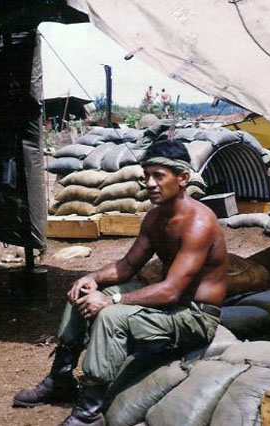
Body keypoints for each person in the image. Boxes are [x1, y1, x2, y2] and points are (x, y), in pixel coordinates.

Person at [13, 139, 228, 426]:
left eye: (159, 176)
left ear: (183, 179)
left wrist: (113, 300)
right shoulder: (154, 218)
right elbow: (127, 266)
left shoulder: (199, 222)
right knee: (85, 292)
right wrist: (90, 278)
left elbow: (172, 289)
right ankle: (60, 378)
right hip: (172, 305)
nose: (150, 183)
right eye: (146, 175)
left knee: (111, 315)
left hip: (196, 315)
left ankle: (89, 413)